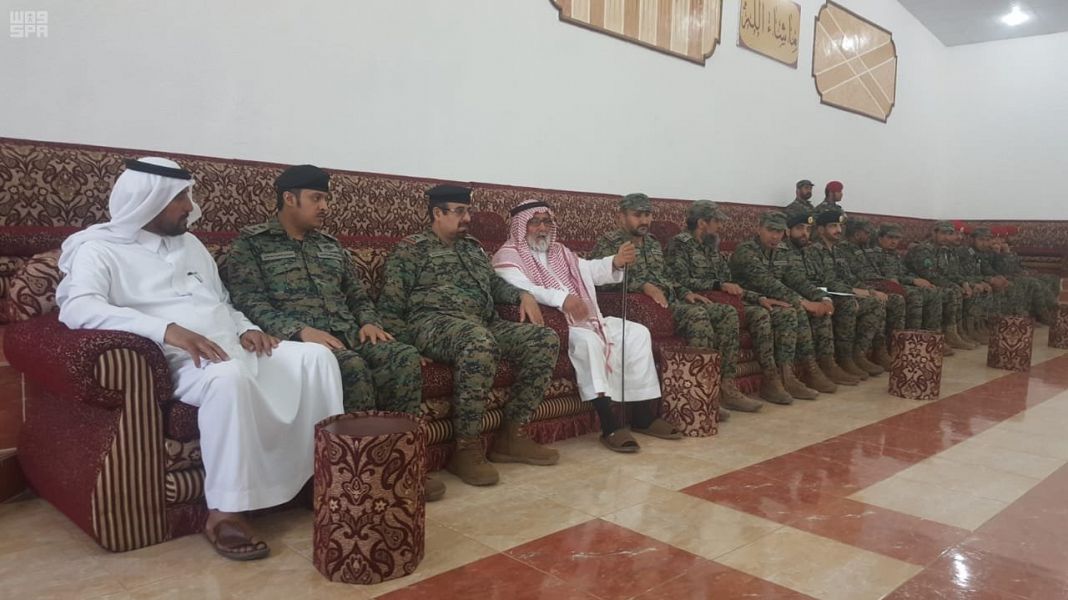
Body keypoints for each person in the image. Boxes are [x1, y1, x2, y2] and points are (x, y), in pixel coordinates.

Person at [56, 158, 344, 561]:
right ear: (149, 200)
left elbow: (221, 301)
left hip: (231, 344)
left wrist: (245, 328)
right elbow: (78, 308)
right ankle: (224, 514)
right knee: (228, 378)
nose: (190, 207)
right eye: (181, 198)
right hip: (179, 360)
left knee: (317, 359)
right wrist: (167, 330)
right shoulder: (99, 249)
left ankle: (322, 480)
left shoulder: (190, 245)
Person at [226, 164, 443, 501]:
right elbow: (247, 301)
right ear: (289, 198)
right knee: (351, 367)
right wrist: (299, 331)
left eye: (326, 199)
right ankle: (362, 476)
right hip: (299, 344)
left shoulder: (330, 245)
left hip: (348, 333)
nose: (325, 206)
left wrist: (369, 322)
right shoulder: (252, 244)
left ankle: (404, 466)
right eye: (316, 198)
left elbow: (357, 295)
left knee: (401, 356)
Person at [378, 184, 560, 487]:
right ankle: (466, 449)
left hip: (481, 322)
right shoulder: (411, 250)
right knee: (478, 342)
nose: (467, 218)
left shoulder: (472, 248)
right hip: (433, 324)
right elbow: (389, 306)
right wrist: (405, 344)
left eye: (469, 211)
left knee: (544, 340)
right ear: (438, 213)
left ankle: (512, 435)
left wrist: (521, 295)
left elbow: (493, 283)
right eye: (460, 211)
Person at [492, 200, 672, 452]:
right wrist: (562, 299)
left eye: (547, 222)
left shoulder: (560, 251)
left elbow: (588, 269)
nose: (542, 228)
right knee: (588, 342)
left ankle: (643, 416)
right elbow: (523, 287)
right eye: (535, 222)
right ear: (521, 226)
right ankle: (609, 425)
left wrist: (615, 261)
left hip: (588, 318)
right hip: (559, 324)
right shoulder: (508, 256)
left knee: (636, 333)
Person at [592, 193, 763, 414]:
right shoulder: (609, 243)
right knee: (698, 316)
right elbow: (598, 279)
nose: (644, 220)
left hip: (672, 301)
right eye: (637, 215)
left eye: (647, 215)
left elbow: (667, 276)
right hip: (645, 309)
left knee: (726, 313)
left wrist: (685, 292)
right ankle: (699, 393)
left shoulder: (652, 242)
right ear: (621, 217)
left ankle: (725, 386)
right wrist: (642, 286)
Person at [666, 200, 817, 404]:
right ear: (702, 223)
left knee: (767, 312)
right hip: (697, 299)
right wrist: (718, 285)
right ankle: (723, 387)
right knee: (730, 314)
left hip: (723, 298)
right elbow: (678, 280)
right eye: (717, 221)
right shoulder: (680, 244)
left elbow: (731, 284)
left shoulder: (711, 246)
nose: (720, 226)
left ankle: (773, 380)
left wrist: (759, 298)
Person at [731, 211, 856, 388]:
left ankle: (824, 364)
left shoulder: (781, 251)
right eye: (770, 230)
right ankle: (790, 375)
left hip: (778, 298)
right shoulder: (746, 251)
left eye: (779, 231)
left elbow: (797, 279)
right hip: (751, 299)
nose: (775, 236)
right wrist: (802, 302)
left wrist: (823, 298)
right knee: (795, 310)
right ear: (759, 229)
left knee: (821, 311)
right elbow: (767, 283)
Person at [837, 218, 902, 368]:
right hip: (857, 287)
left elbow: (877, 270)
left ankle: (889, 348)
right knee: (880, 301)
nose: (870, 236)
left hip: (872, 284)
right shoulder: (843, 249)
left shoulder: (866, 248)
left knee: (897, 298)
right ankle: (867, 352)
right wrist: (870, 290)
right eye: (867, 233)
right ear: (857, 233)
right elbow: (851, 276)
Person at [904, 221, 980, 348]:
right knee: (951, 292)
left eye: (950, 234)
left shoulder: (944, 250)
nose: (947, 237)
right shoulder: (923, 249)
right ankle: (937, 336)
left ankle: (957, 331)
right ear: (934, 233)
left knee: (964, 290)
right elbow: (929, 275)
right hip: (917, 283)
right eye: (943, 233)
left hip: (934, 283)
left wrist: (964, 283)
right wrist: (953, 285)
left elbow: (951, 273)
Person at [869, 223, 946, 338]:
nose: (894, 241)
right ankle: (911, 337)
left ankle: (930, 336)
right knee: (915, 295)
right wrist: (912, 281)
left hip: (900, 284)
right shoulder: (873, 254)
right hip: (882, 286)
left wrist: (916, 279)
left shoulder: (895, 254)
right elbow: (887, 276)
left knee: (934, 291)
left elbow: (904, 272)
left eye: (897, 238)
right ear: (880, 238)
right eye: (890, 237)